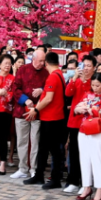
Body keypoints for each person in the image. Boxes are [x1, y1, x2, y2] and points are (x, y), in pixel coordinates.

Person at [29, 51, 67, 186]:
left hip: (52, 118)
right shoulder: (60, 75)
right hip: (52, 117)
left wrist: (36, 109)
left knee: (54, 150)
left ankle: (55, 179)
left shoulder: (53, 77)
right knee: (44, 148)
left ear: (46, 62)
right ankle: (39, 175)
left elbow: (48, 98)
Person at [72, 73, 101, 200]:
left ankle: (99, 189)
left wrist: (88, 108)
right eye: (93, 85)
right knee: (84, 159)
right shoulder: (86, 94)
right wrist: (81, 108)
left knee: (97, 160)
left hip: (99, 130)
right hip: (84, 129)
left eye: (98, 85)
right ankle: (86, 186)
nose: (95, 88)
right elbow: (76, 108)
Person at [11, 46, 47, 181]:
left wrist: (41, 90)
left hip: (38, 111)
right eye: (41, 61)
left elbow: (49, 89)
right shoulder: (23, 69)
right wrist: (25, 100)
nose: (43, 63)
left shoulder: (46, 72)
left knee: (35, 141)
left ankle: (33, 169)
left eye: (44, 61)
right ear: (34, 59)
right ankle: (22, 168)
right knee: (22, 141)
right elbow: (16, 88)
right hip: (22, 111)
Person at [64, 57, 96, 193]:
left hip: (88, 122)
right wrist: (75, 78)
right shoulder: (76, 80)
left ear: (94, 68)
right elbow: (68, 93)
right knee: (74, 152)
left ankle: (86, 183)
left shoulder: (95, 82)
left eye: (89, 66)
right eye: (85, 65)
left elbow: (93, 95)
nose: (86, 68)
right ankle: (73, 181)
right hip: (75, 121)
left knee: (87, 154)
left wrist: (85, 82)